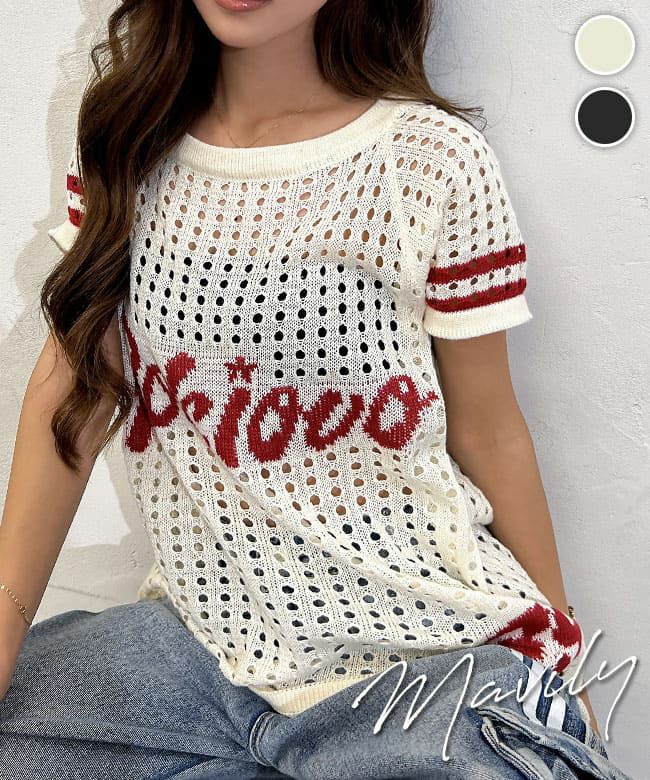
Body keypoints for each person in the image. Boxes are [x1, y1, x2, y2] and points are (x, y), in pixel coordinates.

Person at [0, 1, 634, 778]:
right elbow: (71, 391)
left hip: (417, 664)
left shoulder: (428, 160)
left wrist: (563, 654)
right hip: (197, 650)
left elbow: (490, 431)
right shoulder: (128, 137)